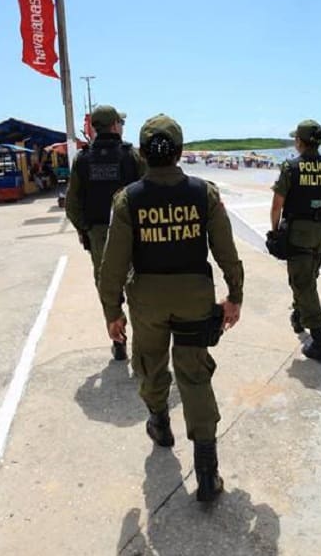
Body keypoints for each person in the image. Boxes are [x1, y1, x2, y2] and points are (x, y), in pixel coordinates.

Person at [97, 114, 244, 502]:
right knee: (194, 374)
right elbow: (226, 251)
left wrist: (112, 311)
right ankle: (207, 471)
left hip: (147, 300)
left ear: (143, 154)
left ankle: (160, 423)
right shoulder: (204, 193)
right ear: (179, 152)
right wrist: (235, 295)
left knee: (150, 363)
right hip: (194, 298)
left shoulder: (127, 199)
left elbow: (112, 265)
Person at [65, 104, 146, 361]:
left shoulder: (82, 159)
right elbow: (149, 192)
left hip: (99, 234)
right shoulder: (132, 156)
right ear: (113, 126)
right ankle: (144, 343)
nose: (122, 127)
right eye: (120, 123)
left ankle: (118, 340)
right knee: (138, 286)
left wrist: (85, 230)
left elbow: (72, 204)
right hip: (133, 232)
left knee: (108, 288)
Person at [270, 119, 321, 362]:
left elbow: (277, 205)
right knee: (307, 277)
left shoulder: (291, 167)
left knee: (303, 283)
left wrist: (275, 231)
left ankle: (319, 341)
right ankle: (298, 316)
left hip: (299, 234)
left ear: (299, 142)